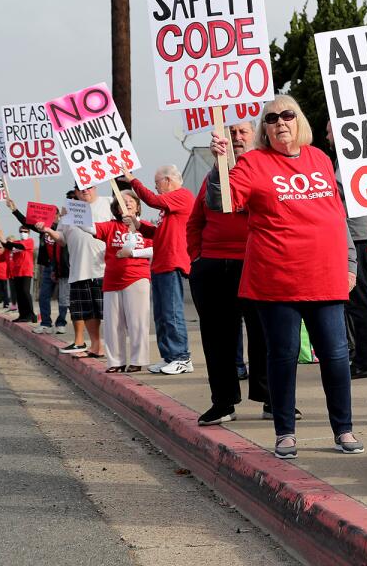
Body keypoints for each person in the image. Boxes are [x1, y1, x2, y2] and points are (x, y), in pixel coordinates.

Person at [207, 95, 362, 458]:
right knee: (283, 355)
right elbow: (223, 203)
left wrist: (351, 264)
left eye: (287, 115)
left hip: (326, 276)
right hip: (276, 279)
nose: (280, 122)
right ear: (265, 128)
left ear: (299, 120)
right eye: (272, 118)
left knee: (337, 356)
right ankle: (285, 432)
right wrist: (219, 165)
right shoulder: (253, 162)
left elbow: (337, 218)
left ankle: (344, 429)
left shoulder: (320, 159)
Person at [186, 120, 273, 426]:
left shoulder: (265, 171)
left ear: (255, 136)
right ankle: (223, 402)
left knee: (265, 334)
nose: (236, 137)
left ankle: (270, 399)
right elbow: (194, 221)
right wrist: (197, 258)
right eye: (231, 132)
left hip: (255, 263)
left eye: (242, 132)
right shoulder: (212, 178)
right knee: (217, 337)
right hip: (212, 265)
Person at [125, 164, 194, 375]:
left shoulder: (181, 195)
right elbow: (158, 233)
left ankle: (182, 357)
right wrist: (139, 224)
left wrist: (132, 181)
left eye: (157, 183)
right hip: (161, 262)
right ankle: (170, 356)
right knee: (162, 314)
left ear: (168, 181)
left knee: (172, 313)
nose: (155, 188)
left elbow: (151, 200)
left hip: (172, 262)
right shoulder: (169, 206)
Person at [325, 121, 367, 381]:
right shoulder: (348, 158)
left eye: (329, 131)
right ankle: (362, 356)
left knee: (359, 299)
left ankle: (366, 359)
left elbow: (335, 194)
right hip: (358, 234)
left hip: (358, 235)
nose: (327, 136)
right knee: (357, 300)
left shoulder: (350, 159)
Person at [42, 185, 113, 357]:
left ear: (95, 186)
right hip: (79, 269)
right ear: (75, 191)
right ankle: (96, 346)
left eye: (88, 186)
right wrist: (49, 231)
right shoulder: (70, 210)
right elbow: (62, 240)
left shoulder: (108, 203)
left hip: (104, 268)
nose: (85, 190)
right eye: (80, 188)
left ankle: (113, 349)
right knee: (88, 312)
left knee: (108, 313)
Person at [87, 191, 154, 373]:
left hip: (137, 278)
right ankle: (115, 361)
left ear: (138, 205)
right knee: (113, 323)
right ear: (116, 208)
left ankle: (137, 360)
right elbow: (90, 228)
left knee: (137, 322)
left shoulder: (146, 227)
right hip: (112, 281)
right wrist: (77, 213)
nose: (127, 204)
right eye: (122, 202)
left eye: (130, 201)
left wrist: (133, 253)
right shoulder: (110, 226)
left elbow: (156, 249)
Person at [7, 198, 71, 334]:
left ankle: (61, 322)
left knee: (63, 297)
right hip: (48, 266)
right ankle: (46, 323)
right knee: (44, 295)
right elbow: (26, 222)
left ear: (58, 215)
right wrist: (14, 210)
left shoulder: (63, 228)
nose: (51, 217)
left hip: (62, 266)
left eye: (54, 213)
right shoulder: (42, 229)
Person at [7, 225, 36, 322]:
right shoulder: (16, 242)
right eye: (21, 231)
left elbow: (20, 246)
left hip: (26, 271)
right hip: (16, 272)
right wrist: (2, 239)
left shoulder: (30, 241)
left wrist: (9, 243)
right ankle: (22, 315)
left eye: (25, 231)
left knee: (25, 291)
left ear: (29, 232)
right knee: (19, 294)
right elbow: (8, 246)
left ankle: (31, 314)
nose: (23, 233)